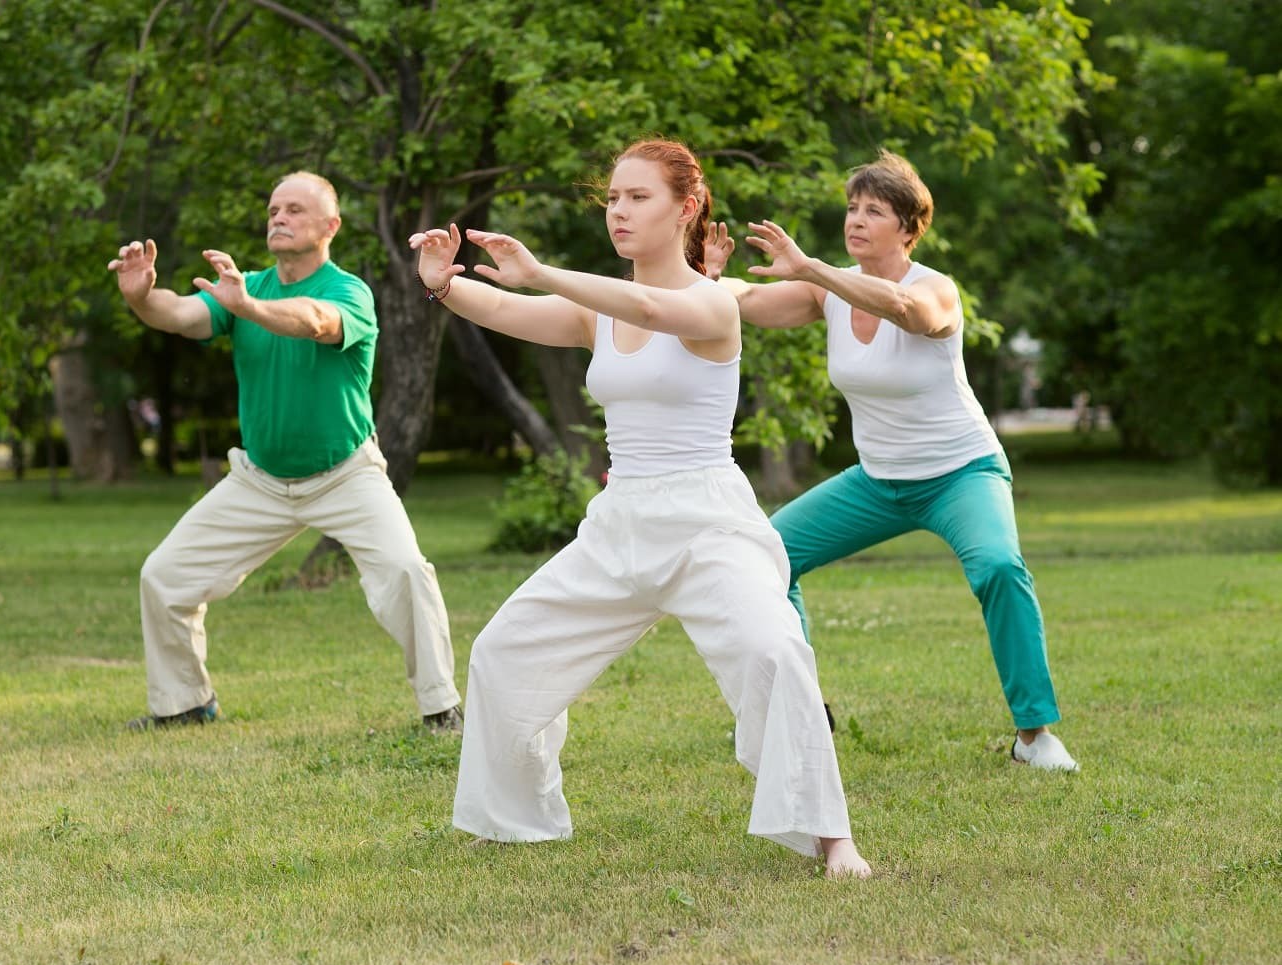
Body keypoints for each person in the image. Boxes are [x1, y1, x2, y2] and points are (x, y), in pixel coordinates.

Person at [410, 139, 872, 877]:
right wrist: (443, 285)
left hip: (709, 525)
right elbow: (505, 306)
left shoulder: (714, 302)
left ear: (686, 209)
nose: (618, 212)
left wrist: (540, 270)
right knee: (501, 653)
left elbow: (654, 304)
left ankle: (830, 836)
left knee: (775, 652)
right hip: (620, 524)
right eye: (613, 199)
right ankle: (512, 821)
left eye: (637, 198)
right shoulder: (597, 313)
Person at [705, 150, 1078, 771]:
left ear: (908, 228)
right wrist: (706, 278)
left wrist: (814, 268)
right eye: (852, 207)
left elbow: (909, 313)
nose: (856, 219)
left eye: (874, 210)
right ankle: (802, 711)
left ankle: (1034, 736)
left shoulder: (934, 288)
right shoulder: (825, 293)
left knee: (998, 567)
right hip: (878, 482)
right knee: (766, 556)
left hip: (961, 472)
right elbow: (745, 302)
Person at [107, 171, 462, 732]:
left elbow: (315, 322)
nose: (279, 217)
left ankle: (441, 706)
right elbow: (177, 315)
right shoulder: (242, 287)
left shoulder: (348, 292)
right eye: (274, 209)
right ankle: (185, 705)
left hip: (346, 474)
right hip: (260, 480)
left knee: (405, 572)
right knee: (163, 576)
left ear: (330, 226)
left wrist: (246, 307)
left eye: (295, 210)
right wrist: (141, 297)